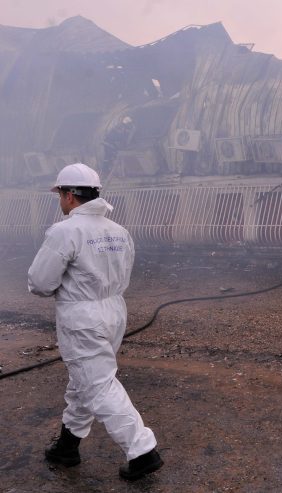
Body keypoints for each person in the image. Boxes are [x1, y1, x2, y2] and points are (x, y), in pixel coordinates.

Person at [27, 163, 163, 481]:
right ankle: (67, 445)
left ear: (70, 196)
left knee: (98, 384)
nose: (59, 201)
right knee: (84, 380)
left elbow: (41, 283)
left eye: (60, 194)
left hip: (82, 317)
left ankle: (142, 451)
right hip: (114, 311)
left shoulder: (65, 231)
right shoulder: (118, 231)